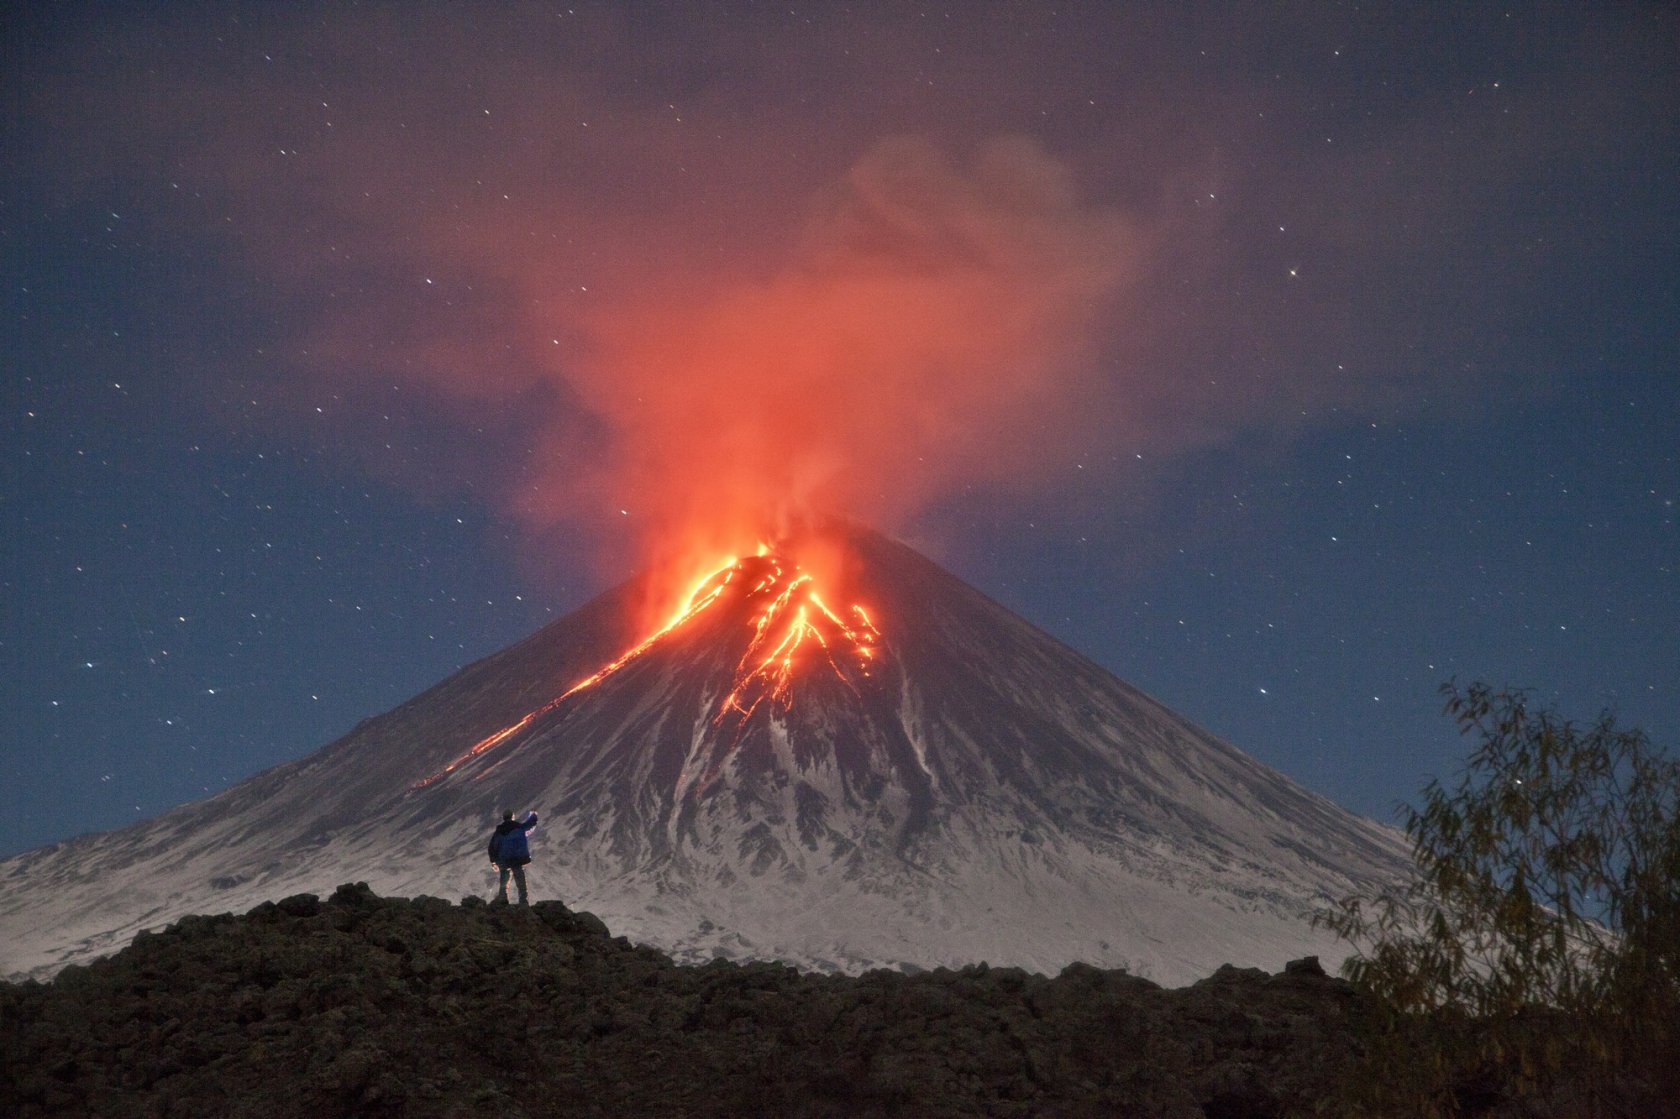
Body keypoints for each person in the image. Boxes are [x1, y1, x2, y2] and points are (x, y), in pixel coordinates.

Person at [487, 809, 538, 905]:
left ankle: (502, 901)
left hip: (503, 860)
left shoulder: (498, 832)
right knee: (520, 880)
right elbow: (530, 824)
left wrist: (493, 861)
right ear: (513, 816)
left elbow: (492, 847)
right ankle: (523, 902)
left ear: (503, 818)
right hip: (517, 859)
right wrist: (533, 814)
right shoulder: (518, 827)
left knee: (504, 881)